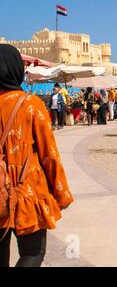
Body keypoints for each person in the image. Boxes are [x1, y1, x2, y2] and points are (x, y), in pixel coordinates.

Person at [0, 44, 73, 267]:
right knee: (32, 254)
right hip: (27, 193)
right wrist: (61, 194)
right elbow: (49, 154)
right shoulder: (31, 105)